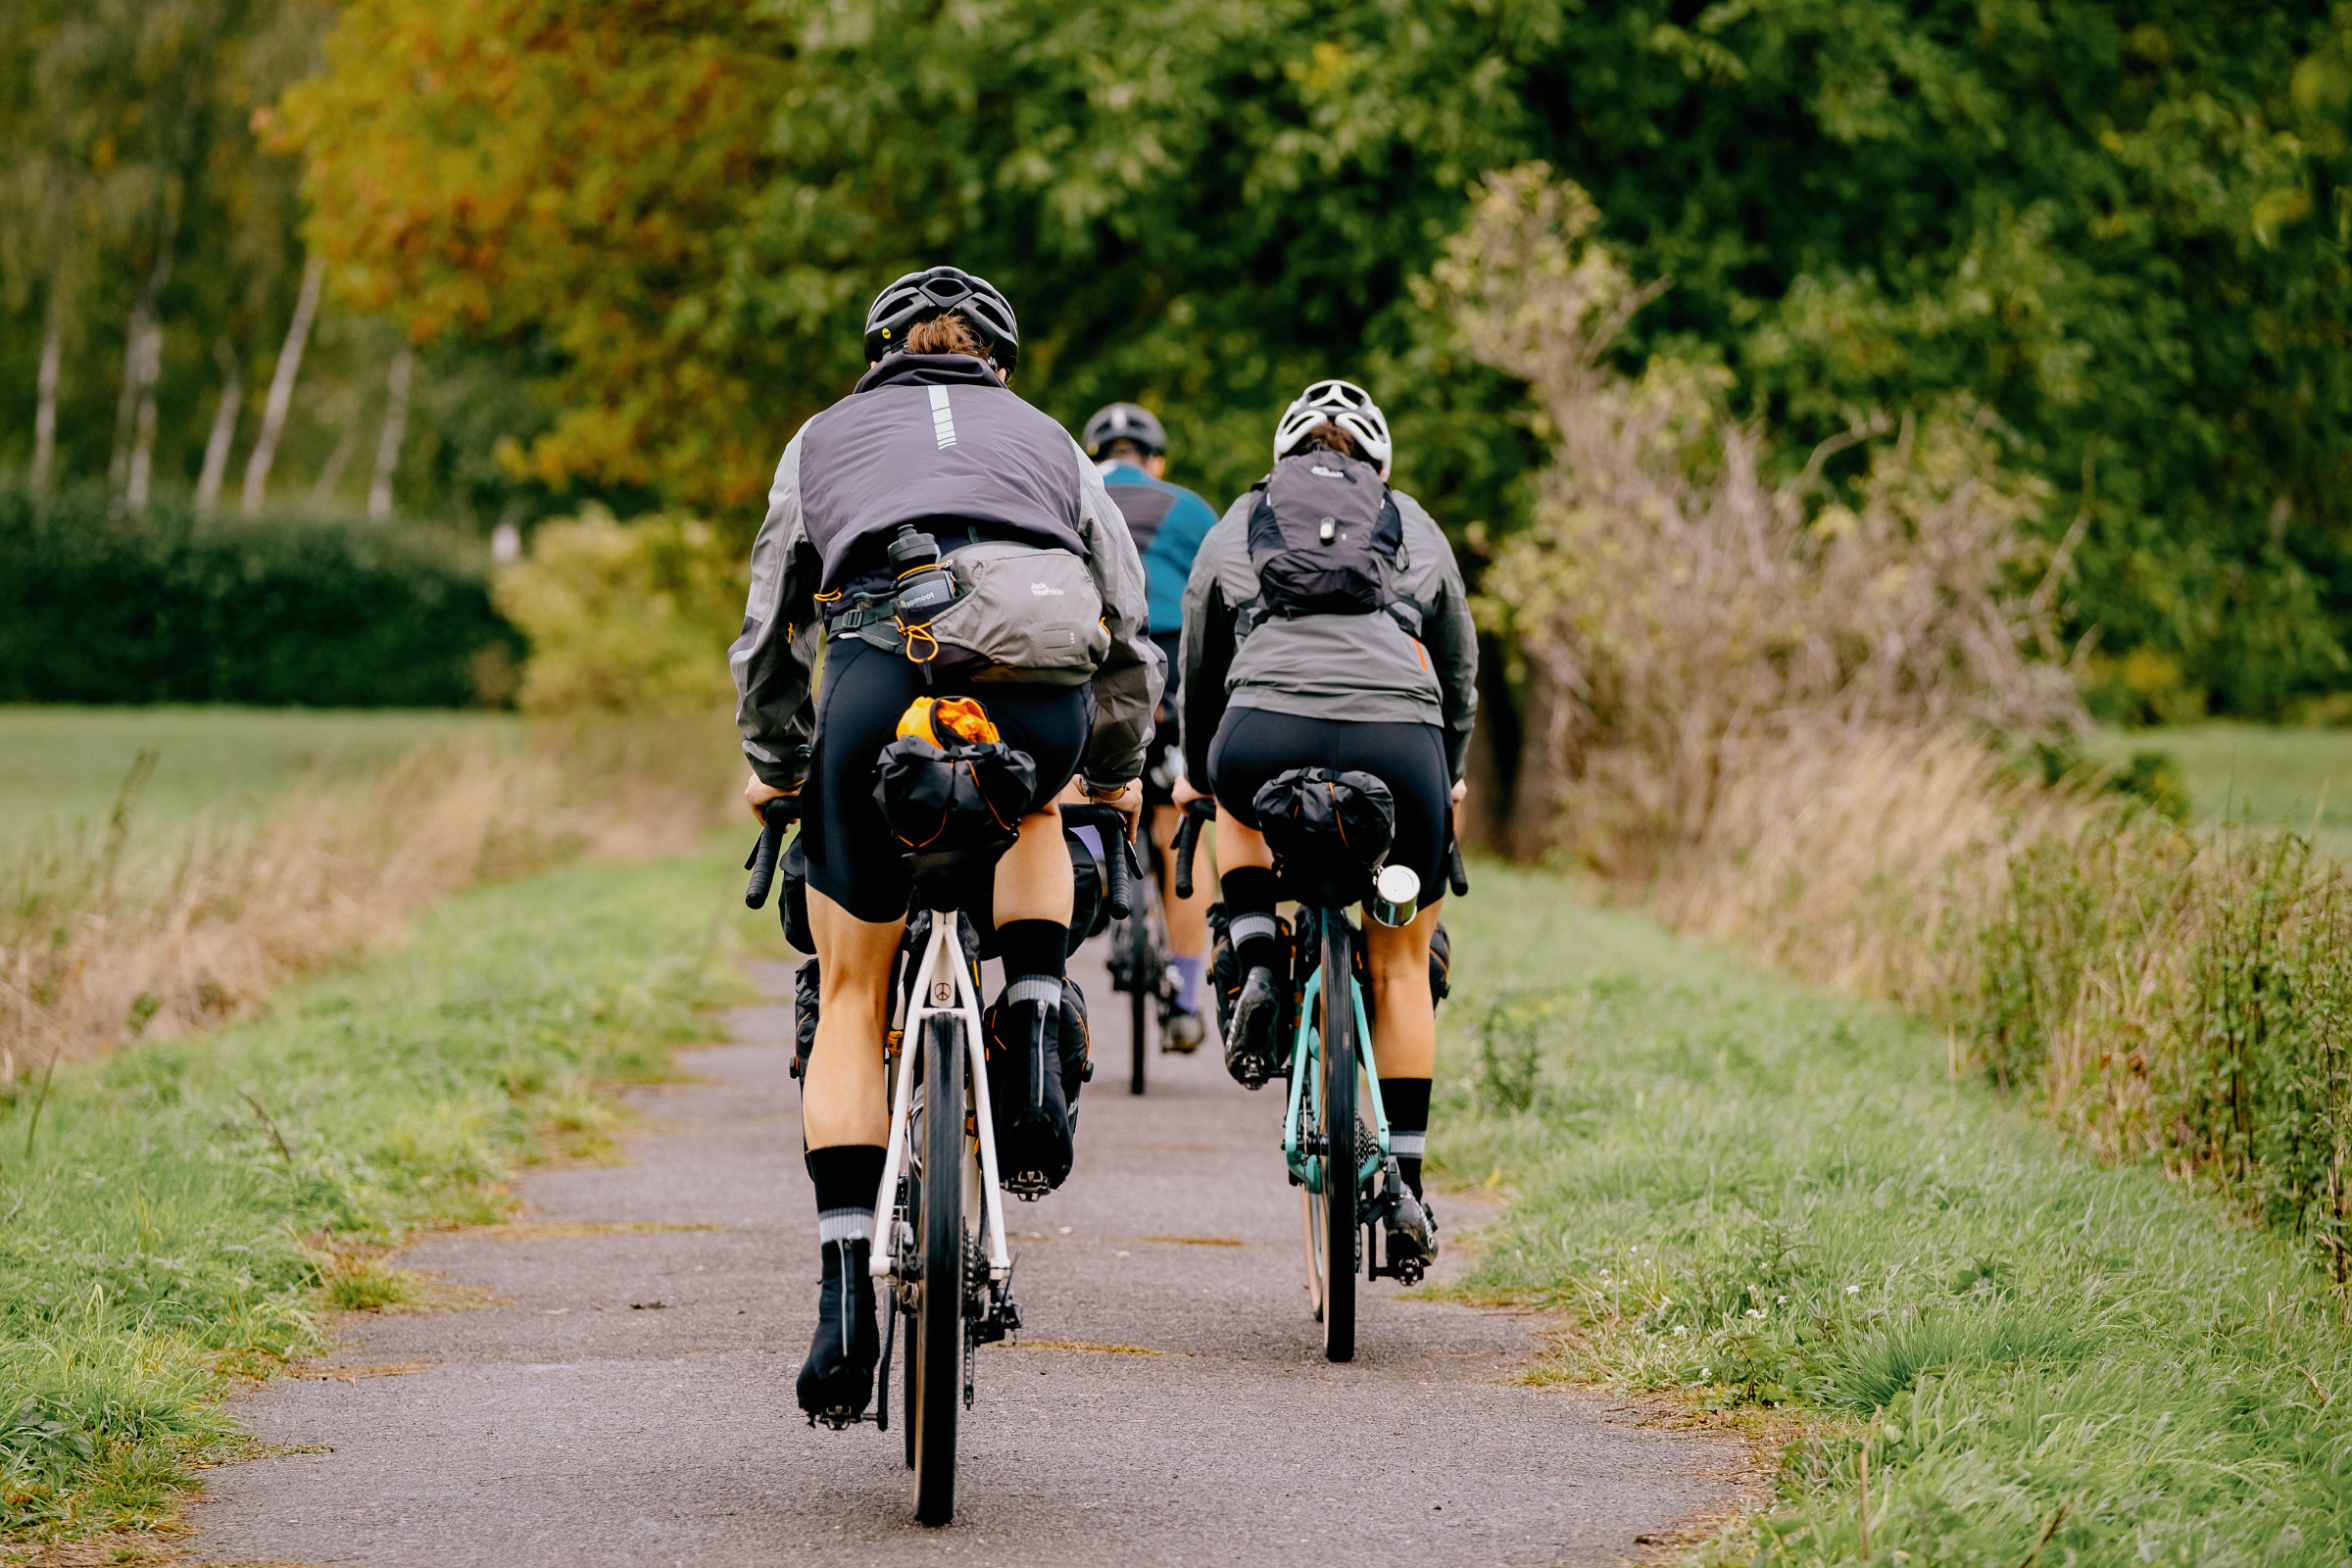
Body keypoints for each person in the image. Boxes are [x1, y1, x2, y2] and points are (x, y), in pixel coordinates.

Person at [731, 266, 1159, 1425]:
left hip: (880, 682)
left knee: (854, 993)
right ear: (997, 364)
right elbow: (1123, 626)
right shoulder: (1051, 441)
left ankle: (840, 1304)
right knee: (1033, 799)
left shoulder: (822, 438)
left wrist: (779, 761)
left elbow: (772, 618)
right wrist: (1111, 779)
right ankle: (1028, 1002)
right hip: (1038, 695)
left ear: (877, 354)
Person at [1175, 377, 1475, 1270]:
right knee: (1402, 960)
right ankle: (1409, 1188)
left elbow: (1200, 642)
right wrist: (1447, 774)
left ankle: (1262, 956)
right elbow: (1458, 665)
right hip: (1402, 744)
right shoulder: (1414, 523)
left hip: (1264, 727)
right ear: (1378, 463)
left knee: (1233, 800)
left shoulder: (1246, 516)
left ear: (1286, 457)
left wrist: (1202, 770)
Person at [1079, 402, 1219, 1047]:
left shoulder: (1066, 482)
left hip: (1091, 659)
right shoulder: (1189, 508)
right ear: (1155, 460)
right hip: (1172, 667)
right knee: (1177, 821)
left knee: (1073, 801)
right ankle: (1189, 1002)